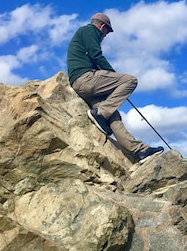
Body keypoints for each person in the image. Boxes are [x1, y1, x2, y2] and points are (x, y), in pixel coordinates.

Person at [67, 13, 164, 163]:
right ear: (102, 27)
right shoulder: (90, 30)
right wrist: (114, 77)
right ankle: (99, 113)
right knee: (130, 80)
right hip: (85, 78)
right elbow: (96, 55)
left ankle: (140, 151)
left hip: (85, 86)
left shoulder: (84, 35)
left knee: (113, 115)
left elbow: (92, 58)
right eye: (107, 32)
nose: (105, 35)